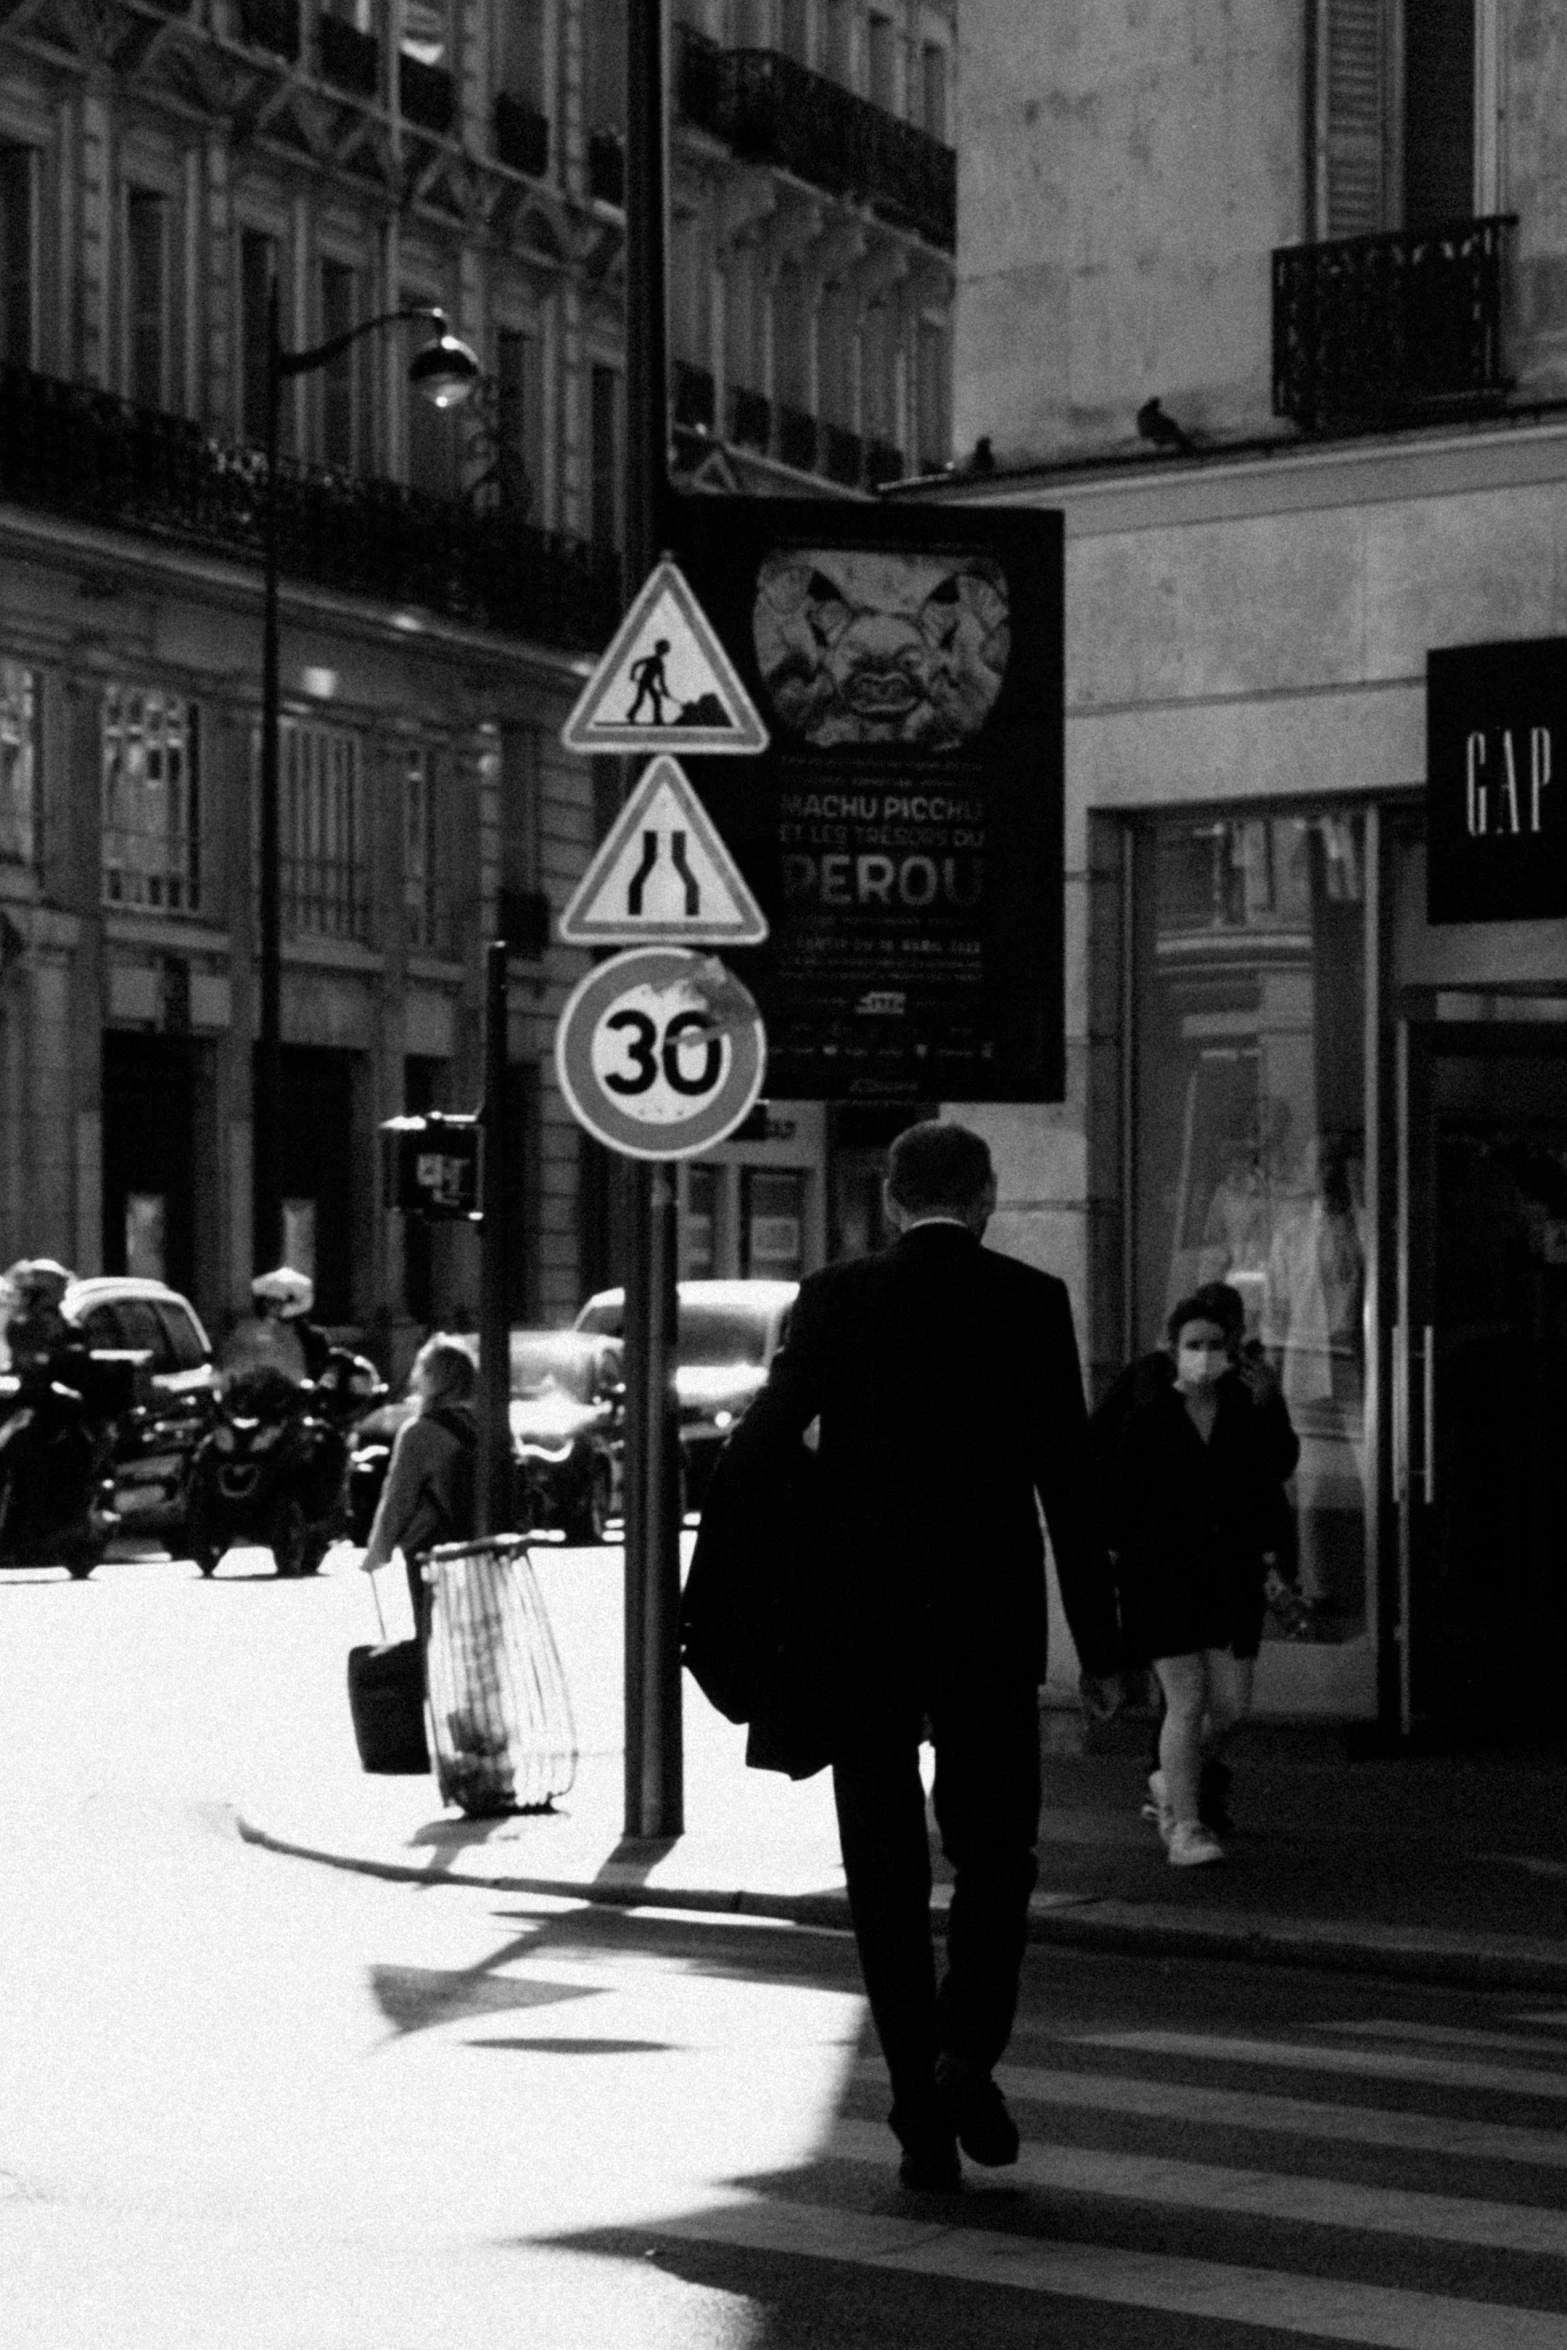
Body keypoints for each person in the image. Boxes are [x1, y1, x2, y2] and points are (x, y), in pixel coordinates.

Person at [708, 1120, 1121, 2193]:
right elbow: (1067, 1489)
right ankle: (963, 2052)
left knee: (883, 1873)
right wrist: (1104, 1646)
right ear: (985, 1198)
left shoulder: (833, 1296)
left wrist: (786, 1549)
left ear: (891, 1201)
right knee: (996, 1855)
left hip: (860, 1628)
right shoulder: (1032, 1302)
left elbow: (757, 1447)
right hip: (984, 1621)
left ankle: (915, 2118)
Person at [1090, 1280, 1303, 1831]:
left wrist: (1269, 1404)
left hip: (1227, 1569)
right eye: (1196, 1341)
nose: (1208, 1354)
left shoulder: (1243, 1397)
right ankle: (1188, 1819)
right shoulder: (1147, 1396)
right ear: (1174, 1344)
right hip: (1164, 1569)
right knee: (1185, 1699)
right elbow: (1110, 1467)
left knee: (1227, 1705)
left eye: (1220, 1340)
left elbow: (1273, 1467)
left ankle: (1173, 1781)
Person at [360, 1335, 477, 1636]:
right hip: (485, 1547)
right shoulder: (487, 1424)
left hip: (433, 1549)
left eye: (422, 1371)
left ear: (433, 1379)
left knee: (434, 1636)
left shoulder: (419, 1432)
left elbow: (399, 1496)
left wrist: (378, 1551)